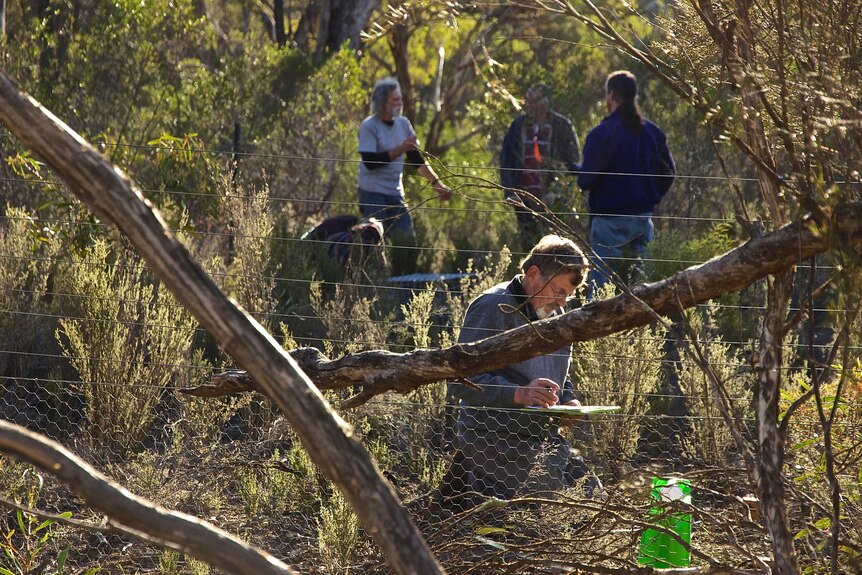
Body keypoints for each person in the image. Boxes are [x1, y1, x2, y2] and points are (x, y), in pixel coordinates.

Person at [445, 235, 594, 507]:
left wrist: (567, 398)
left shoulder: (556, 311)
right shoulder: (492, 308)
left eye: (568, 296)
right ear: (533, 273)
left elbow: (559, 369)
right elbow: (459, 381)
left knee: (592, 498)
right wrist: (519, 394)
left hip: (540, 435)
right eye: (559, 292)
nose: (563, 303)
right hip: (492, 438)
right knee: (553, 511)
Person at [577, 70, 675, 291]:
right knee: (644, 290)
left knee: (601, 289)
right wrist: (651, 196)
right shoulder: (652, 132)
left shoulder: (602, 133)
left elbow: (586, 180)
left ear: (611, 95)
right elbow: (669, 172)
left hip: (608, 223)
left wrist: (580, 172)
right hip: (642, 220)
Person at [357, 77, 451, 276]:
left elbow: (417, 160)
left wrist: (437, 184)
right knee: (373, 241)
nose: (400, 103)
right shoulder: (369, 126)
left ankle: (404, 285)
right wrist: (401, 148)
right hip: (371, 193)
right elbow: (370, 163)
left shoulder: (403, 124)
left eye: (400, 99)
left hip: (395, 194)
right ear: (382, 102)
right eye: (395, 100)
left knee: (407, 242)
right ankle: (369, 282)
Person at [500, 83, 580, 243]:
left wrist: (557, 193)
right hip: (524, 201)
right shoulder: (517, 127)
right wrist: (511, 192)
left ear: (547, 101)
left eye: (535, 100)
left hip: (553, 202)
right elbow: (506, 162)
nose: (530, 105)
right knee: (529, 244)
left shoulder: (561, 126)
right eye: (528, 101)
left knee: (555, 246)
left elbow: (573, 162)